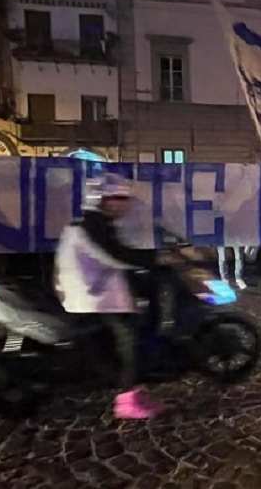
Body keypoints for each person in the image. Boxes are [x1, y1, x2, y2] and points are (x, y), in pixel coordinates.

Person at [54, 173, 164, 420]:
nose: (124, 203)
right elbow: (114, 255)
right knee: (131, 339)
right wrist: (153, 259)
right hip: (92, 295)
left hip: (94, 289)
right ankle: (127, 401)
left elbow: (117, 251)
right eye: (118, 197)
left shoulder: (96, 223)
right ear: (101, 199)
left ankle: (132, 388)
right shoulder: (91, 225)